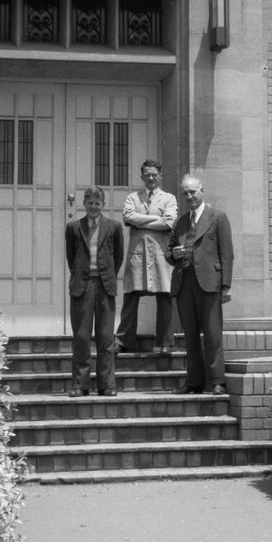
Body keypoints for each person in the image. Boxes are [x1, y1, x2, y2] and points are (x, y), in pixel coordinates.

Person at [165, 174, 234, 395]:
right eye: (185, 193)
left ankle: (216, 381)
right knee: (190, 335)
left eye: (193, 191)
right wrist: (174, 254)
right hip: (185, 284)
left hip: (210, 284)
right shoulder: (180, 222)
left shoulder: (218, 217)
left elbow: (227, 254)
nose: (189, 196)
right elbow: (169, 253)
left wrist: (225, 286)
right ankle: (193, 381)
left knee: (213, 334)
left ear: (202, 191)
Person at [65, 186, 124, 397]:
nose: (93, 207)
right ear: (84, 203)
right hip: (82, 286)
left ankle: (106, 385)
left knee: (106, 337)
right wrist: (84, 275)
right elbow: (71, 258)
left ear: (103, 205)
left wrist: (106, 275)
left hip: (105, 286)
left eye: (97, 203)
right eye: (90, 203)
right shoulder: (73, 227)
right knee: (81, 337)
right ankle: (80, 385)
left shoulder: (114, 227)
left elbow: (118, 257)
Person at [115, 159, 178, 355]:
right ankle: (124, 339)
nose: (151, 178)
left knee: (164, 294)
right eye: (147, 174)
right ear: (142, 176)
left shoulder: (169, 198)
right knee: (131, 294)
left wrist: (140, 222)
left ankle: (166, 342)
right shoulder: (133, 197)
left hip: (160, 253)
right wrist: (155, 220)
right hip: (138, 252)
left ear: (159, 176)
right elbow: (128, 217)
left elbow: (169, 222)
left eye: (154, 174)